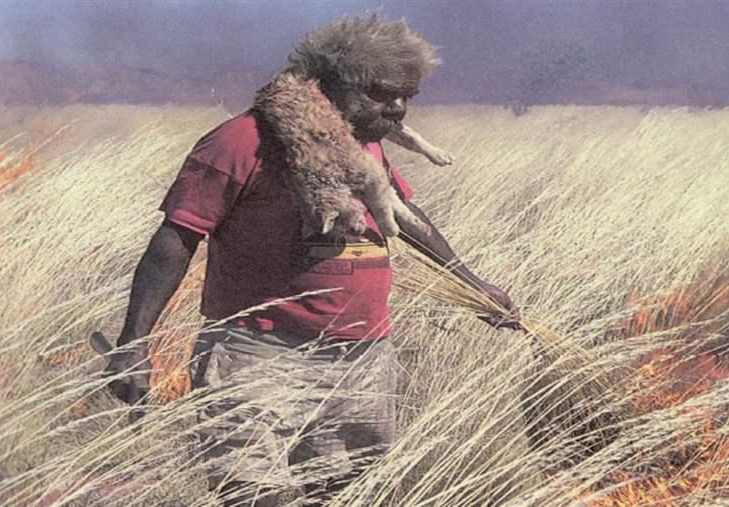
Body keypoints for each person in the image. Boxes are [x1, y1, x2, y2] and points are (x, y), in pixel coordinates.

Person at [106, 15, 520, 506]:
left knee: (347, 493)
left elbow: (405, 216)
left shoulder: (364, 141)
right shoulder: (241, 142)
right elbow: (176, 239)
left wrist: (472, 286)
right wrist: (134, 342)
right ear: (329, 83)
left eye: (407, 96)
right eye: (381, 94)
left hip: (362, 359)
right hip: (257, 355)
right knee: (256, 494)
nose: (397, 108)